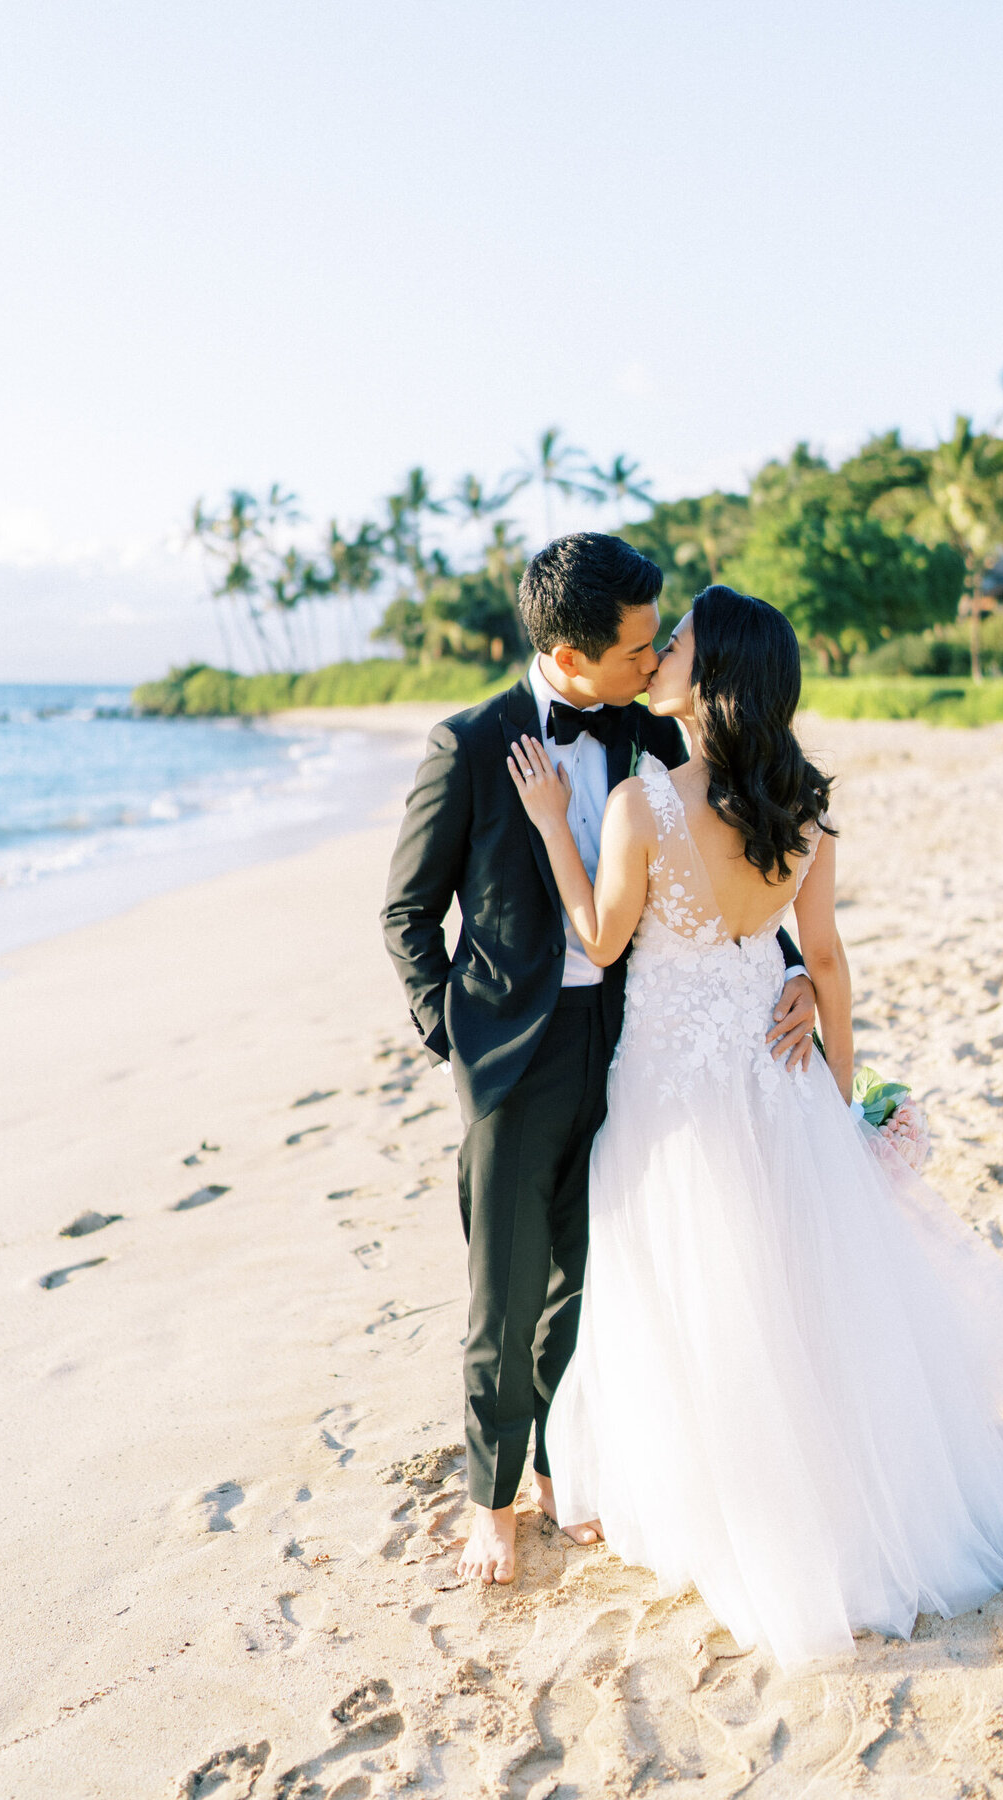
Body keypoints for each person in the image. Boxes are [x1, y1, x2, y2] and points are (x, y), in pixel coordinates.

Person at [507, 584, 1003, 1668]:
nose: (659, 655)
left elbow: (603, 940)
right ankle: (844, 1498)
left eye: (679, 647)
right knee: (803, 1292)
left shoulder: (640, 804)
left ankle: (748, 1517)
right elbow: (831, 962)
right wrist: (841, 1110)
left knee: (699, 1295)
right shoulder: (802, 807)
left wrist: (546, 832)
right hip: (781, 1073)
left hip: (675, 1085)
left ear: (712, 680)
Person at [380, 539, 817, 1585]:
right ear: (570, 657)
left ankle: (559, 1472)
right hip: (512, 1058)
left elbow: (729, 851)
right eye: (633, 648)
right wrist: (459, 1038)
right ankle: (491, 1499)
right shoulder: (470, 743)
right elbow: (407, 911)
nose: (650, 658)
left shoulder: (643, 729)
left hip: (632, 1042)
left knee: (595, 1274)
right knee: (508, 1283)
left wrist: (788, 965)